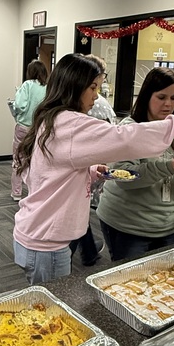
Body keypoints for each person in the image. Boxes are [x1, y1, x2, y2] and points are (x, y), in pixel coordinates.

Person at [13, 53, 174, 285]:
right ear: (74, 85)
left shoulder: (53, 118)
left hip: (36, 234)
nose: (96, 95)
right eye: (92, 87)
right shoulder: (70, 123)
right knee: (47, 312)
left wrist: (89, 171)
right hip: (46, 242)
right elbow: (124, 139)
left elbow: (47, 173)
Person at [97, 68, 174, 261]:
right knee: (129, 285)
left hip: (168, 225)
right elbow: (123, 177)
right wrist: (170, 167)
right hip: (129, 226)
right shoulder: (131, 128)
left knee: (168, 282)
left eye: (173, 98)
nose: (168, 104)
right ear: (147, 96)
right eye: (161, 97)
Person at [70, 54, 115, 266]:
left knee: (79, 208)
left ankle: (87, 251)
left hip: (89, 167)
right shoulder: (71, 115)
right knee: (77, 207)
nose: (96, 94)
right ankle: (86, 252)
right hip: (86, 166)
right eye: (93, 87)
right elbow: (113, 137)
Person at [10, 59, 48, 201]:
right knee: (37, 161)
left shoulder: (27, 85)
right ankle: (35, 192)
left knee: (18, 160)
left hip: (24, 127)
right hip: (40, 128)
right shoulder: (48, 88)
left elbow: (20, 105)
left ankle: (17, 192)